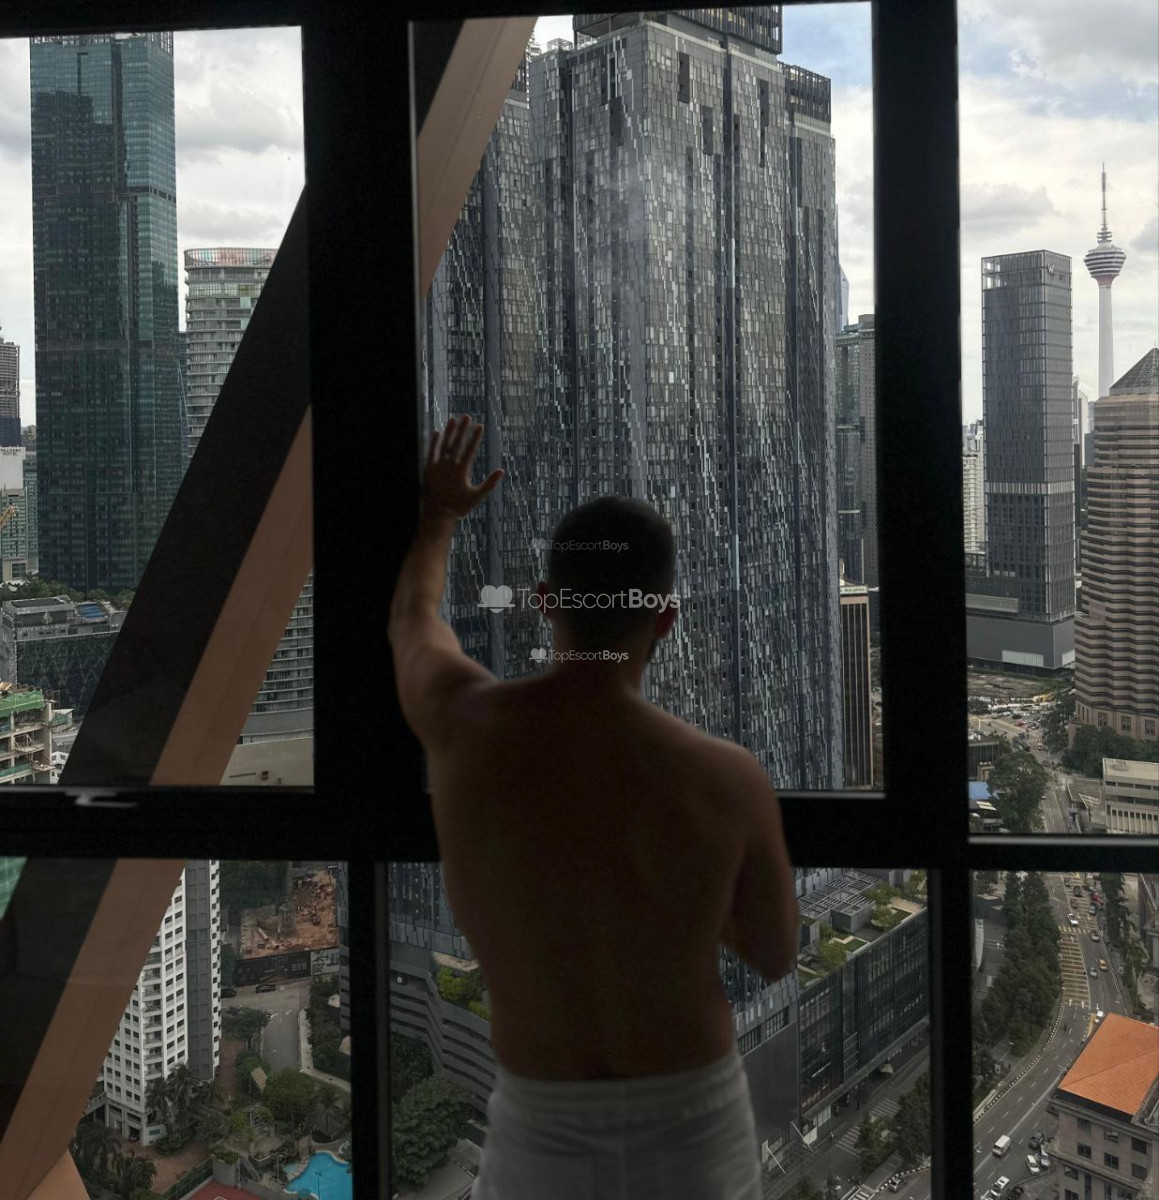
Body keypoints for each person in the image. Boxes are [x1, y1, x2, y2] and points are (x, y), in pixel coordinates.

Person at [389, 416, 798, 1199]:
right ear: (666, 617)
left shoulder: (468, 729)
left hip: (540, 1131)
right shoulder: (726, 780)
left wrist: (438, 513)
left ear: (545, 602)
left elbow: (412, 618)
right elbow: (774, 953)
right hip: (694, 1133)